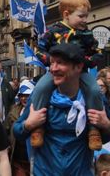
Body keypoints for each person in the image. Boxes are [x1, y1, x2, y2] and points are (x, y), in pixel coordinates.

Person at [13, 43, 110, 176]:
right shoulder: (41, 97)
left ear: (78, 67)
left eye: (60, 63)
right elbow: (17, 132)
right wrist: (28, 125)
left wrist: (106, 125)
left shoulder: (92, 100)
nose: (53, 69)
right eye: (52, 63)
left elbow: (103, 140)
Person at [31, 0, 104, 150]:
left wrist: (86, 62)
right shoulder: (52, 31)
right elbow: (39, 50)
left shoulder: (86, 33)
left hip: (81, 72)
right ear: (66, 14)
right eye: (81, 16)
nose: (85, 20)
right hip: (55, 72)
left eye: (86, 16)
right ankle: (38, 126)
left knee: (95, 90)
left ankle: (94, 130)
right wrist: (51, 63)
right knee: (40, 89)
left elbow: (97, 52)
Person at [4, 79, 35, 176]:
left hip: (34, 157)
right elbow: (6, 130)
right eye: (22, 96)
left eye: (28, 96)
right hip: (17, 157)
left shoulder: (39, 111)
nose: (24, 99)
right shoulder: (13, 111)